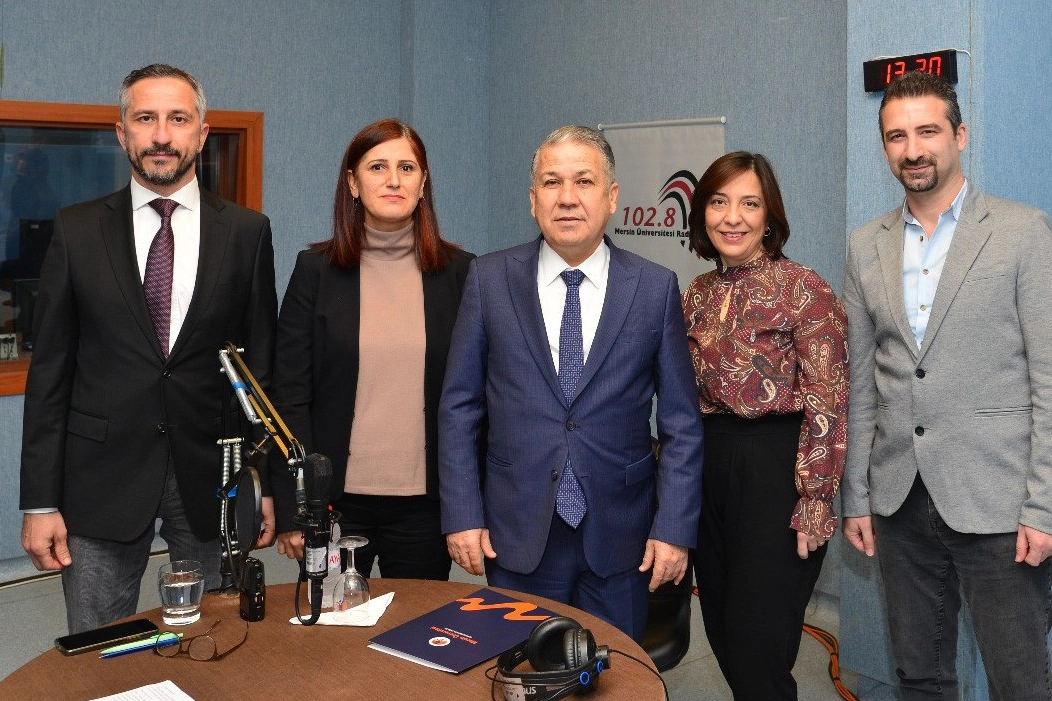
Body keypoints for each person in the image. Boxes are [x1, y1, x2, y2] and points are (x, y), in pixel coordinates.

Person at [19, 63, 277, 634]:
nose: (161, 135)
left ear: (201, 134)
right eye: (145, 119)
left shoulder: (247, 233)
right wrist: (39, 501)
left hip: (212, 478)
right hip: (99, 479)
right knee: (98, 646)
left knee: (214, 643)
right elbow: (51, 373)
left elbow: (259, 372)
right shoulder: (77, 230)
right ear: (122, 133)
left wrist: (260, 481)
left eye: (178, 119)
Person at [439, 125, 704, 641]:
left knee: (615, 672)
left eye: (584, 181)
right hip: (517, 530)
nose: (566, 198)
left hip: (622, 536)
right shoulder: (489, 280)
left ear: (612, 197)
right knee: (522, 670)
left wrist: (673, 528)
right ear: (532, 199)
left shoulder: (654, 288)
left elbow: (682, 424)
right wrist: (462, 514)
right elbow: (459, 408)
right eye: (551, 182)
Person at [842, 70, 1052, 700]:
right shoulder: (865, 245)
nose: (913, 150)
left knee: (1018, 680)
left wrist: (1044, 505)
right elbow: (862, 384)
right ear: (884, 148)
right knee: (920, 676)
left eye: (928, 131)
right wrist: (857, 494)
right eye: (897, 136)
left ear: (960, 135)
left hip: (999, 500)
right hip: (900, 499)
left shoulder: (1022, 232)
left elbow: (1048, 378)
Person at [271, 119, 473, 582]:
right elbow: (290, 396)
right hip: (333, 502)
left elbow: (474, 398)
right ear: (353, 183)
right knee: (331, 627)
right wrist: (295, 506)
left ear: (423, 183)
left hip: (425, 506)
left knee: (417, 625)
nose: (393, 180)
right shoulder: (315, 271)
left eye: (407, 167)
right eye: (377, 167)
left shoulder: (462, 274)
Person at [682, 151, 848, 699]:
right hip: (707, 468)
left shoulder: (805, 289)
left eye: (749, 204)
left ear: (769, 216)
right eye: (719, 202)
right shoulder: (696, 293)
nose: (732, 217)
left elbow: (828, 401)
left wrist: (815, 499)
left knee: (759, 651)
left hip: (777, 471)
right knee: (722, 633)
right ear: (702, 214)